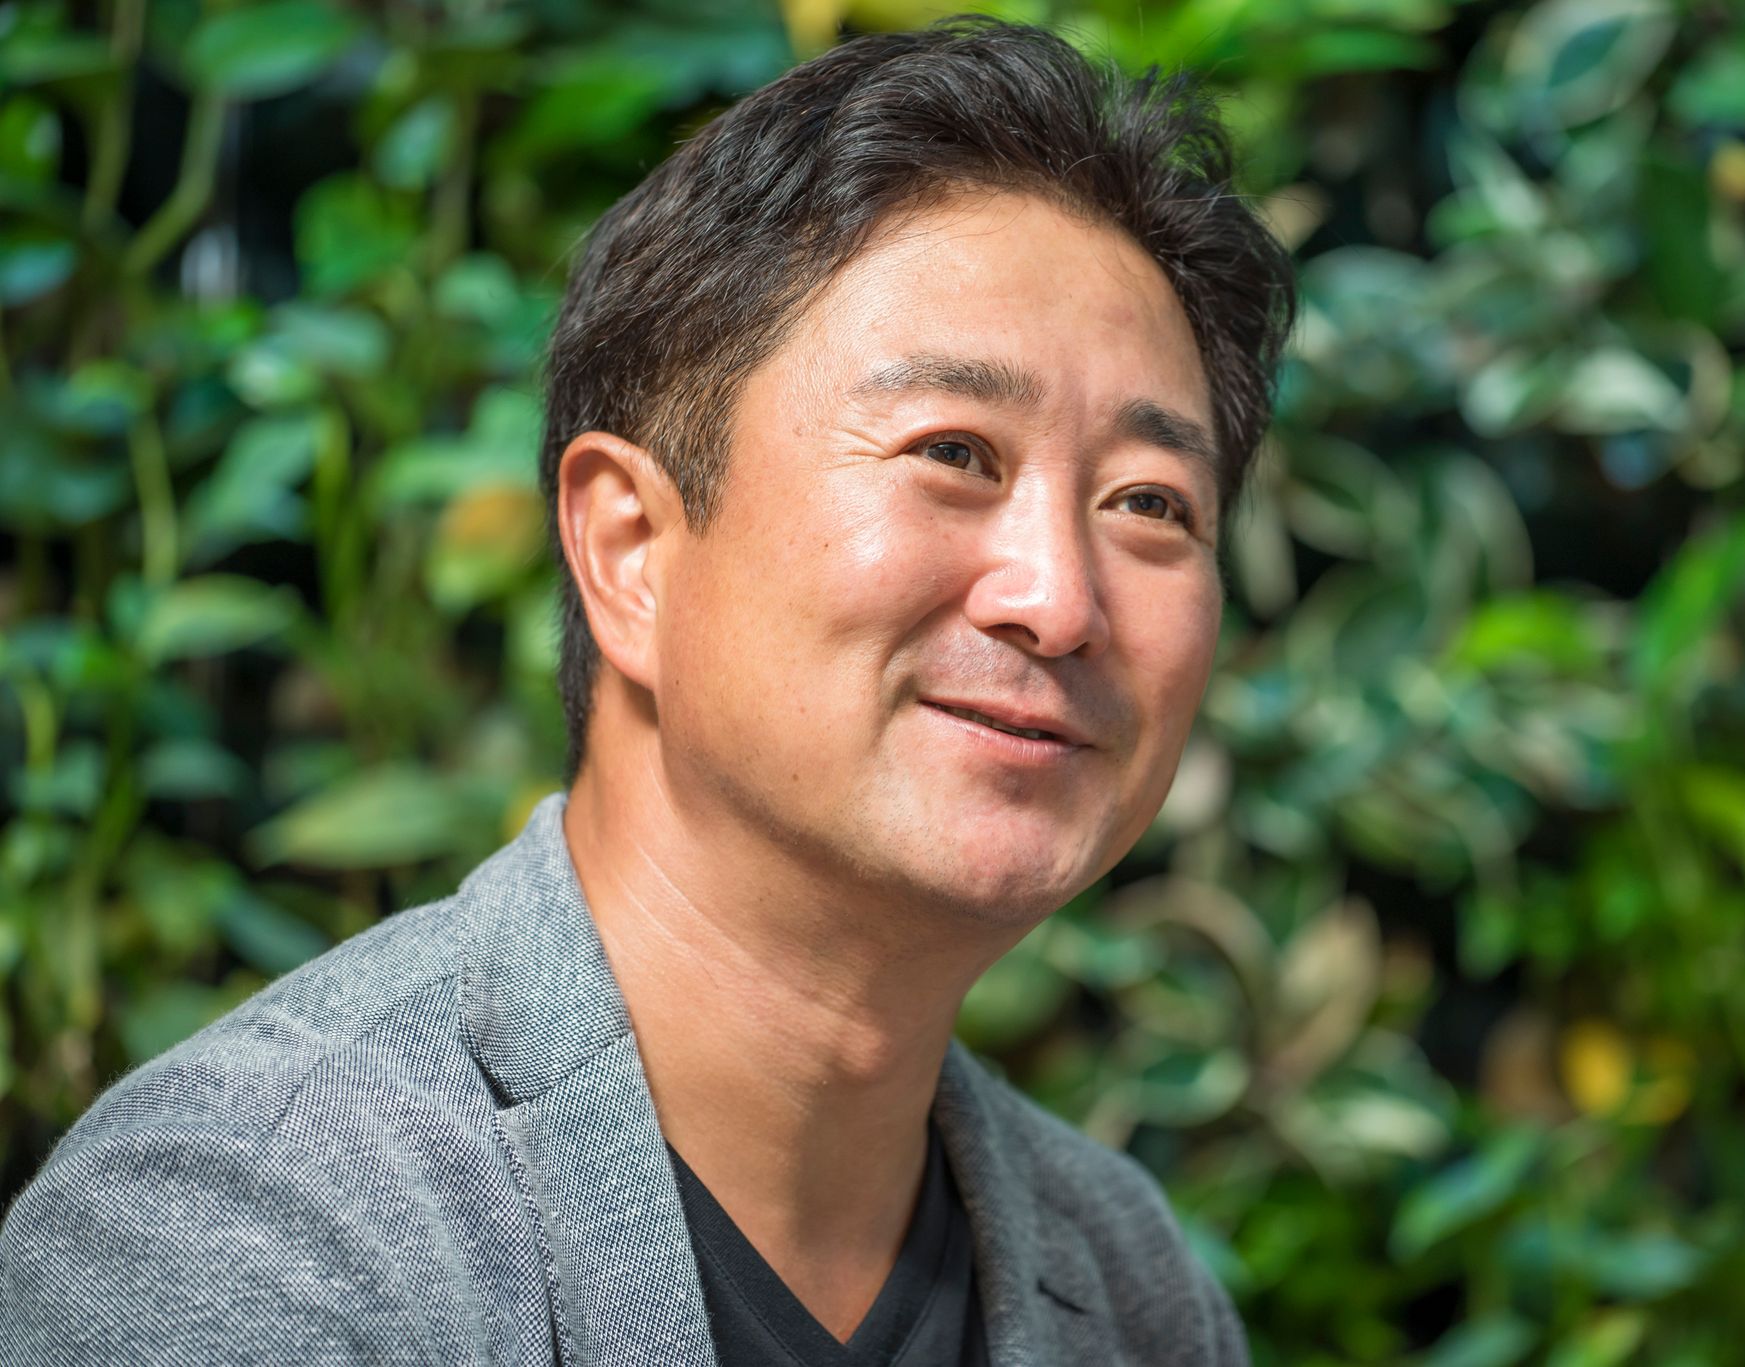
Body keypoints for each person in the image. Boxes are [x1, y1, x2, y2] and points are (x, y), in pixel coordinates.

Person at [0, 17, 1293, 1365]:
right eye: (954, 452)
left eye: (1150, 503)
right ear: (630, 551)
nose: (1060, 599)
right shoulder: (251, 1235)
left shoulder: (1130, 1287)